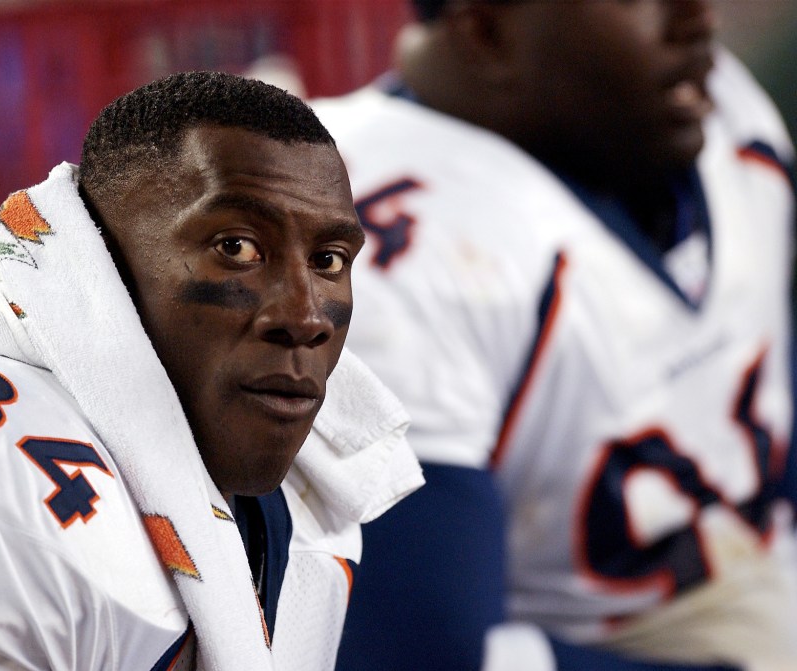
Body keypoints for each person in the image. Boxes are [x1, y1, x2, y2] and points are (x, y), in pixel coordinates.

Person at [0, 71, 422, 670]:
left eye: (331, 259)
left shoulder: (308, 495)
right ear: (102, 263)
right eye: (237, 247)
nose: (306, 315)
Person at [311, 1, 797, 669]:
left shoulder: (712, 108)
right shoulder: (378, 248)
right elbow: (417, 649)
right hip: (587, 639)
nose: (698, 18)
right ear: (485, 31)